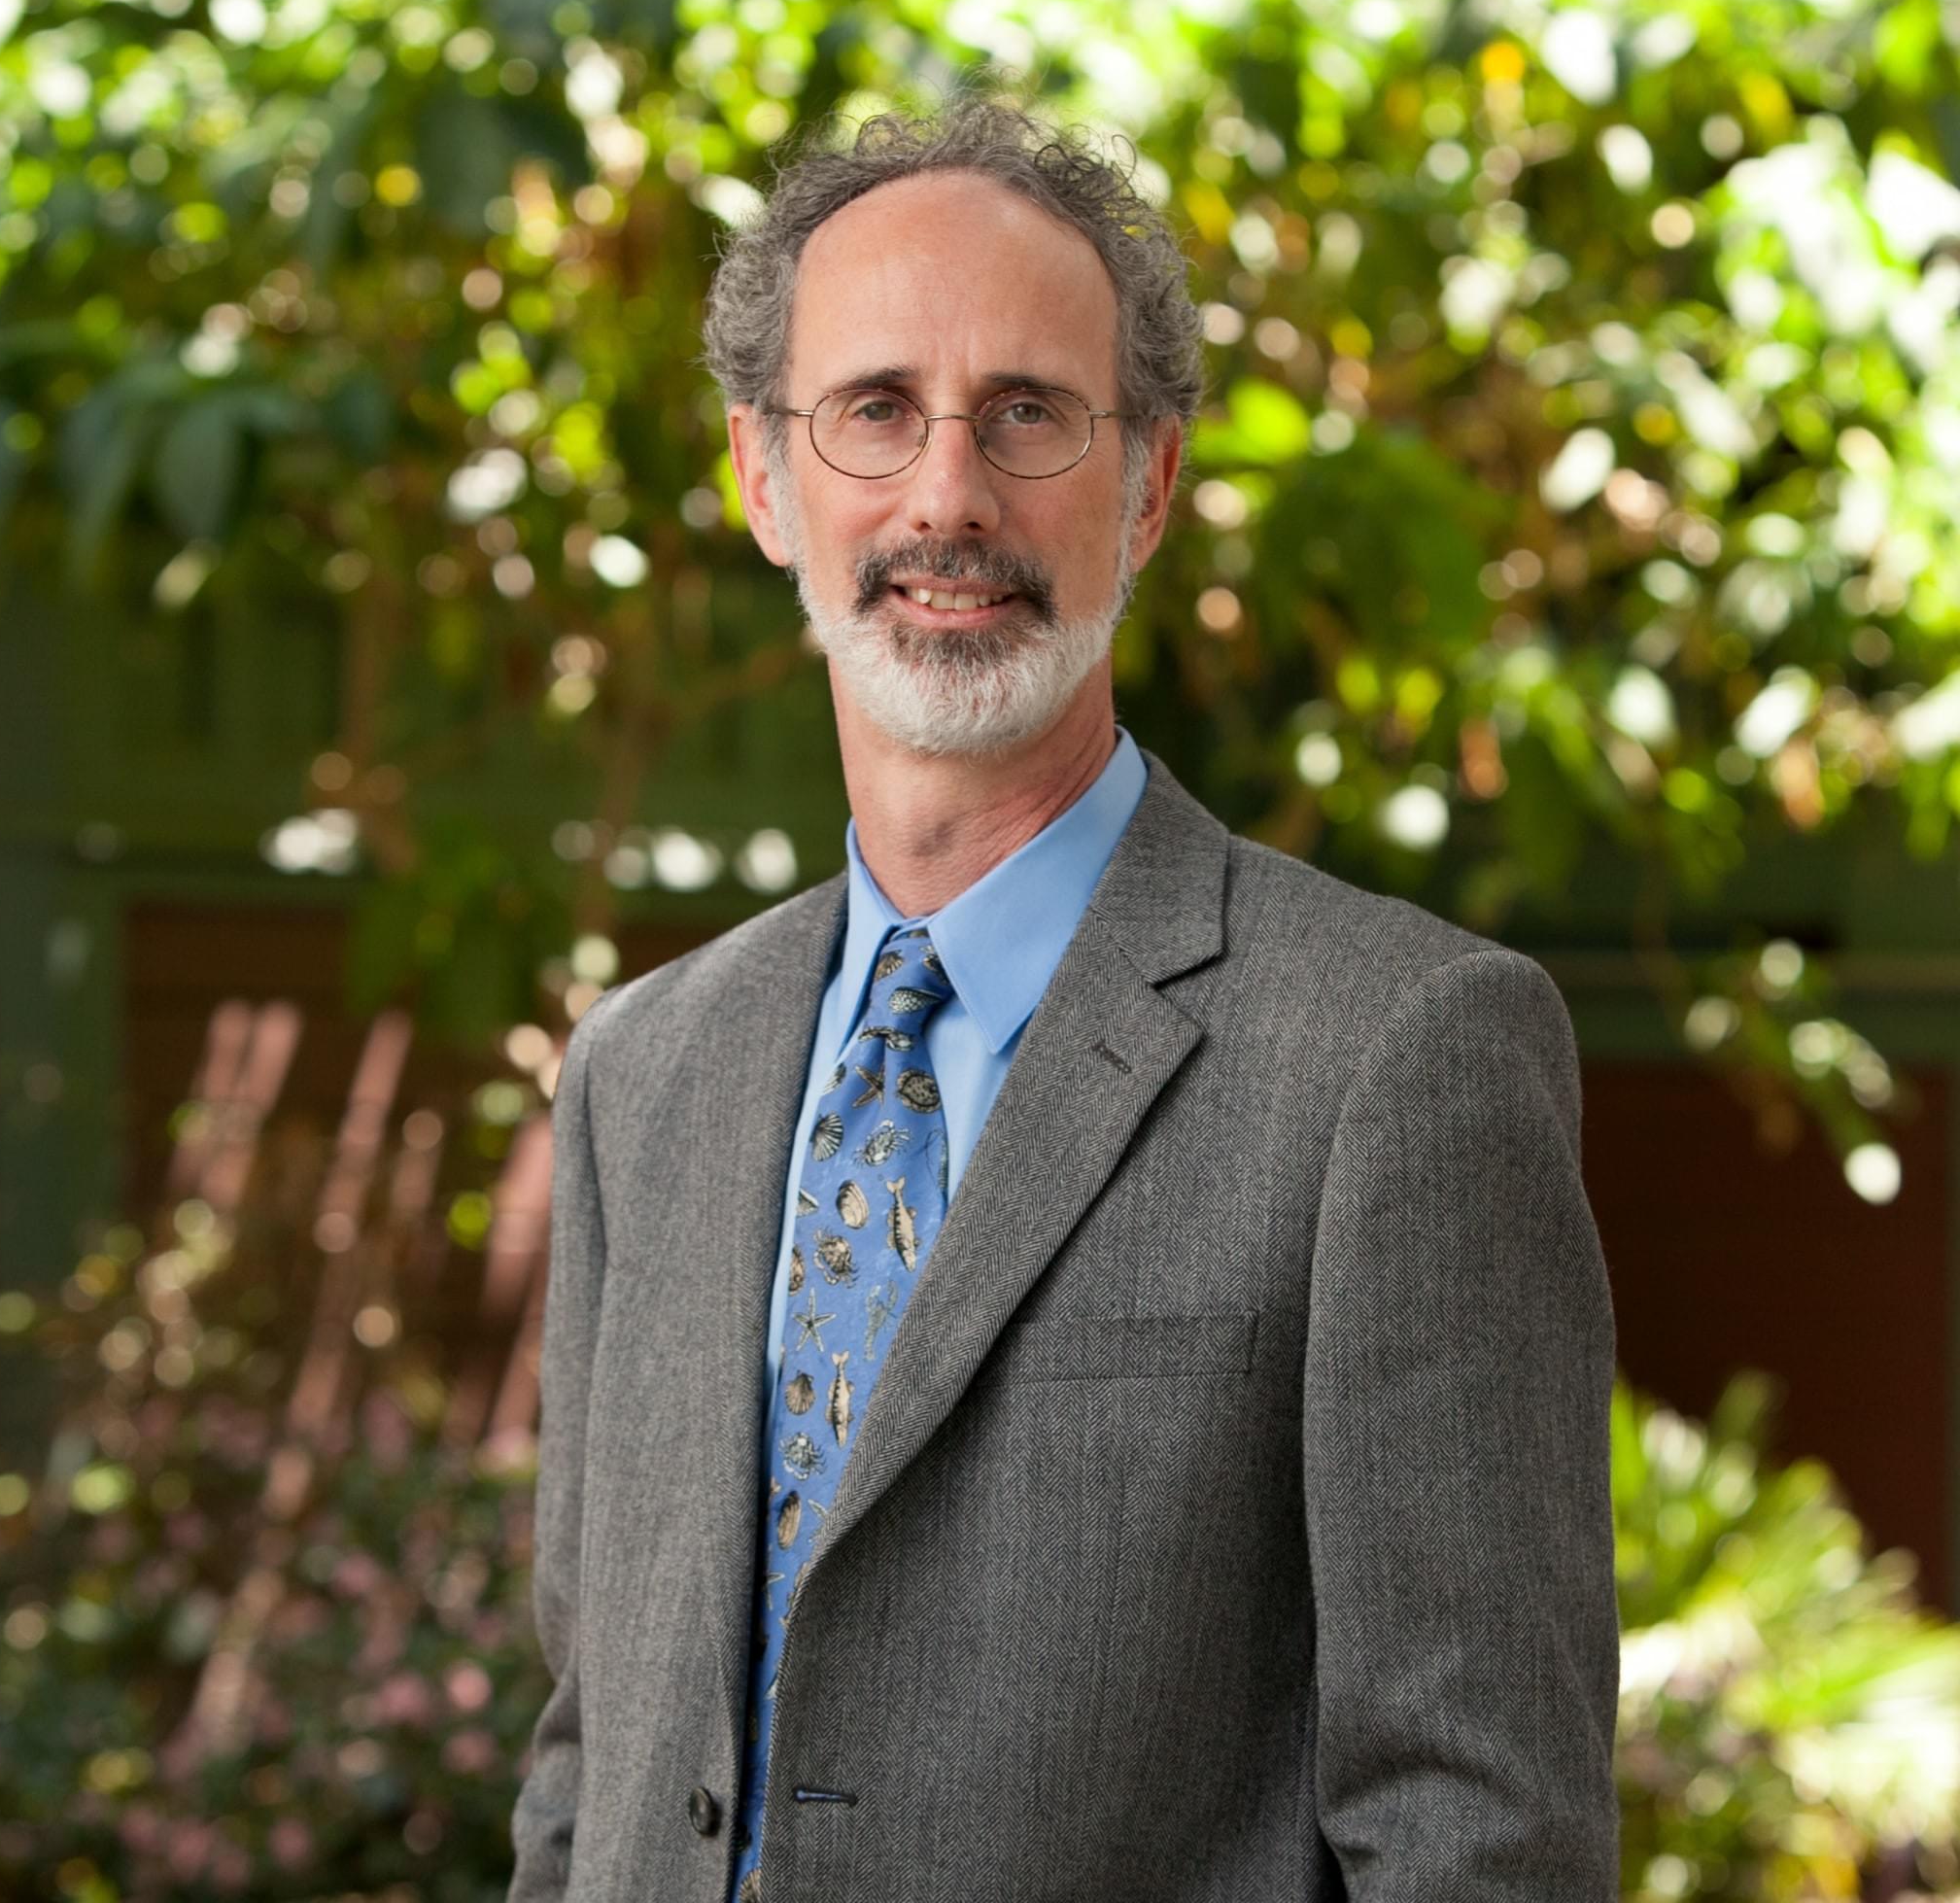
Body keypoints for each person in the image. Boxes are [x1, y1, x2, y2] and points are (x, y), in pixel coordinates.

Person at [506, 98, 1619, 1903]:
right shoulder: (647, 1075)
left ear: (1152, 485)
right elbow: (589, 1765)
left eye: (1028, 414)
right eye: (874, 411)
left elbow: (1484, 1835)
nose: (946, 496)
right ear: (764, 481)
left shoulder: (1398, 1061)